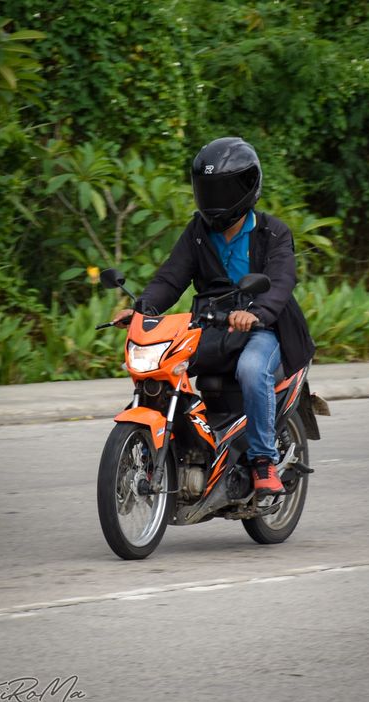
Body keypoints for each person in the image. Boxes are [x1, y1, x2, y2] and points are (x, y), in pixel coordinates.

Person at [113, 136, 315, 496]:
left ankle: (263, 461)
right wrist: (142, 310)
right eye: (206, 190)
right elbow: (170, 277)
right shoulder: (198, 232)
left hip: (263, 329)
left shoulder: (273, 233)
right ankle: (183, 448)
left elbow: (281, 283)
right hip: (210, 327)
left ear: (246, 187)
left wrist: (256, 314)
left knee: (252, 369)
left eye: (221, 191)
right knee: (163, 368)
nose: (212, 200)